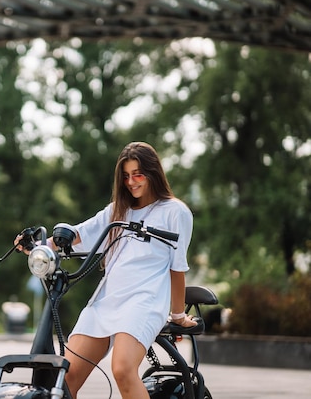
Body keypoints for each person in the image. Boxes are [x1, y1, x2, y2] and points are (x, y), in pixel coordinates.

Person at [15, 141, 197, 399]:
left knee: (122, 369)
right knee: (65, 377)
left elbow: (178, 268)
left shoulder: (175, 212)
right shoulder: (117, 210)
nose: (131, 182)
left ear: (153, 173)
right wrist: (38, 246)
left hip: (144, 301)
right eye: (126, 176)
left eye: (138, 174)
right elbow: (80, 233)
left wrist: (177, 315)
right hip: (106, 301)